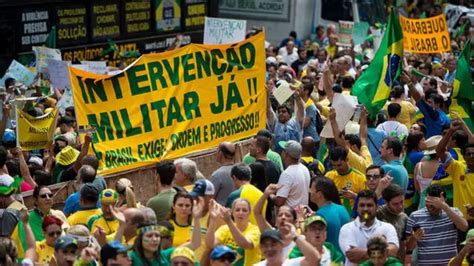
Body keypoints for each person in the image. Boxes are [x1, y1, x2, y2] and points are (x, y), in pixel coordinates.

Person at [405, 185, 468, 265]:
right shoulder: (415, 216)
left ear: (444, 200)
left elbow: (464, 227)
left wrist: (445, 207)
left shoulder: (453, 212)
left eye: (434, 203)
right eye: (428, 202)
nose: (430, 207)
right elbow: (408, 248)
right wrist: (413, 239)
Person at [339, 190, 399, 266]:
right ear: (356, 208)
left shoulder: (388, 228)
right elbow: (352, 256)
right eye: (362, 205)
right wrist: (382, 254)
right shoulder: (347, 228)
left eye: (369, 205)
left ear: (376, 207)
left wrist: (362, 253)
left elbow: (393, 252)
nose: (365, 209)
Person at [11, 185, 68, 258]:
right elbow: (22, 246)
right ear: (35, 200)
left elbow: (68, 237)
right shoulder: (26, 219)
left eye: (50, 195)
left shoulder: (59, 214)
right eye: (43, 196)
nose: (48, 198)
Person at [436, 120, 474, 224]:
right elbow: (439, 151)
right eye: (468, 154)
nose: (471, 156)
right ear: (464, 157)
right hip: (460, 222)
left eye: (473, 154)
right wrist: (450, 131)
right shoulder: (457, 167)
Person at [206, 198, 261, 266]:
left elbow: (245, 244)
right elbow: (210, 244)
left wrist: (229, 222)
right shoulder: (225, 229)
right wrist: (213, 219)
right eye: (237, 210)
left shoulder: (255, 230)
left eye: (244, 210)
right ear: (233, 213)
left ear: (249, 213)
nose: (241, 213)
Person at [254, 184, 300, 259]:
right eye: (280, 215)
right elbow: (257, 212)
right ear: (276, 221)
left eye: (287, 215)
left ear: (295, 221)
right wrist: (266, 194)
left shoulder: (299, 239)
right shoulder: (271, 234)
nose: (283, 217)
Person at [309, 176, 349, 253]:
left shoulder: (320, 216)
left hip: (330, 259)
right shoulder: (342, 209)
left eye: (311, 189)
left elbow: (313, 242)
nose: (309, 191)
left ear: (319, 194)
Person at [329, 106, 373, 174]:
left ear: (354, 147)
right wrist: (363, 117)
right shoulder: (366, 156)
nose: (343, 148)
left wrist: (333, 121)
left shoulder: (356, 160)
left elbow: (341, 143)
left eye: (347, 144)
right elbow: (363, 137)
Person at [325, 146, 367, 213]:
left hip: (353, 215)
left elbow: (367, 200)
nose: (337, 168)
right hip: (334, 213)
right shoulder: (329, 176)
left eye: (339, 165)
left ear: (347, 160)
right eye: (334, 165)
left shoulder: (360, 177)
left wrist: (354, 196)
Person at [266, 84, 305, 153]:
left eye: (284, 111)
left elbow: (301, 109)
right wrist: (267, 95)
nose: (281, 113)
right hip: (279, 157)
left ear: (289, 114)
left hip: (294, 156)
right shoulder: (275, 123)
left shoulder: (295, 122)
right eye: (279, 112)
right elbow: (269, 109)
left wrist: (297, 95)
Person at [255, 227, 321, 265]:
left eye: (273, 244)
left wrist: (295, 237)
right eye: (265, 246)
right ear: (260, 248)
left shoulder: (292, 264)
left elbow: (315, 259)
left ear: (282, 245)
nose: (269, 249)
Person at [275, 140, 311, 208]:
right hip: (302, 213)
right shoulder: (304, 168)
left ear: (286, 154)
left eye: (283, 150)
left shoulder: (287, 174)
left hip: (291, 215)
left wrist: (269, 195)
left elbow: (280, 201)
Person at [377, 184, 407, 261]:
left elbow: (402, 243)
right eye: (395, 204)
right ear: (386, 202)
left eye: (401, 202)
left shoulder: (404, 217)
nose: (400, 206)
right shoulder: (378, 213)